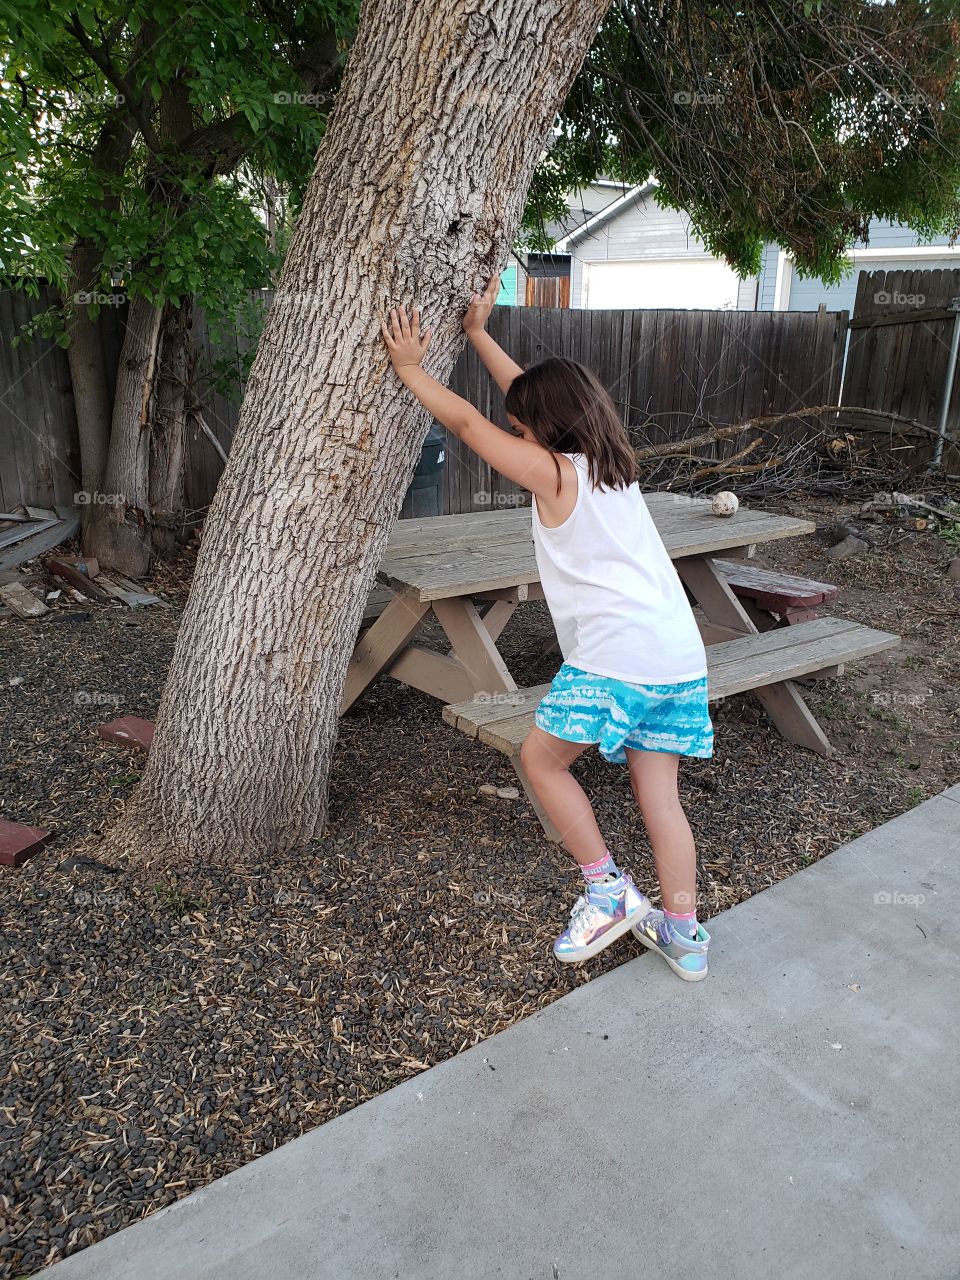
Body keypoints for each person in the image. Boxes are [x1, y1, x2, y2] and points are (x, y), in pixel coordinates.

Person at [380, 276, 713, 981]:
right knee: (662, 799)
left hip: (617, 658)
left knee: (541, 761)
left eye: (521, 430)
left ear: (545, 434)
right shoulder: (613, 465)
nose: (514, 435)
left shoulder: (556, 476)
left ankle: (606, 890)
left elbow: (470, 426)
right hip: (679, 659)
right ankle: (684, 935)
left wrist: (410, 369)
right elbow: (526, 398)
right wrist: (477, 335)